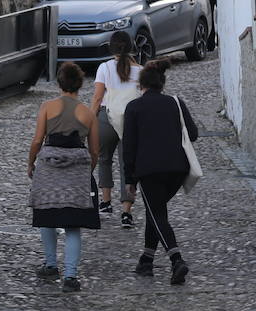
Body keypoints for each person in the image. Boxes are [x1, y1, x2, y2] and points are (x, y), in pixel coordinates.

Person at [121, 59, 199, 284]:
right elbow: (192, 134)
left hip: (149, 171)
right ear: (161, 84)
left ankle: (177, 260)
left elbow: (129, 147)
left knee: (156, 213)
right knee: (155, 212)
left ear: (141, 86)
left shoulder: (134, 107)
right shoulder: (176, 103)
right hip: (177, 170)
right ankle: (146, 260)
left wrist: (130, 180)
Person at [28, 61, 101, 292]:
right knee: (73, 224)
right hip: (77, 168)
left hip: (50, 167)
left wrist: (31, 162)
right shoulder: (88, 113)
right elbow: (95, 151)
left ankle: (51, 264)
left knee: (47, 214)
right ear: (80, 84)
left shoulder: (47, 107)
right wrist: (86, 171)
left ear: (59, 82)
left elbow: (38, 140)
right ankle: (71, 276)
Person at [90, 31, 142, 228]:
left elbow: (97, 97)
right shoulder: (141, 71)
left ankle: (105, 203)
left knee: (104, 158)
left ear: (111, 48)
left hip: (107, 117)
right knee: (127, 166)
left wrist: (88, 119)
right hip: (131, 121)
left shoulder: (104, 68)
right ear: (131, 47)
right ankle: (126, 213)